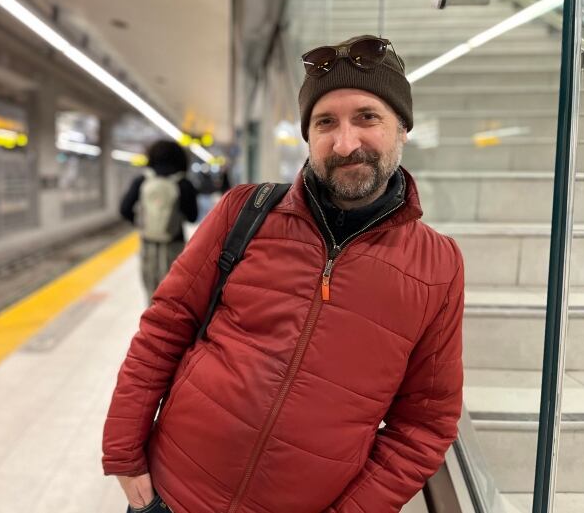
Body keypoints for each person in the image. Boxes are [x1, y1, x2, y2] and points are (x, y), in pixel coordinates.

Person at [104, 35, 465, 513]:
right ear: (308, 135)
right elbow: (165, 327)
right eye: (325, 123)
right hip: (172, 495)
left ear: (403, 129)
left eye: (367, 117)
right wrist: (124, 452)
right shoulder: (245, 211)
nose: (345, 142)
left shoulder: (437, 267)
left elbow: (426, 423)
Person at [120, 140, 198, 297]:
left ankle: (152, 320)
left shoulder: (142, 181)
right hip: (175, 246)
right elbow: (192, 217)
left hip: (148, 246)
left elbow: (124, 210)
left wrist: (143, 222)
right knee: (175, 292)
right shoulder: (183, 183)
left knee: (151, 293)